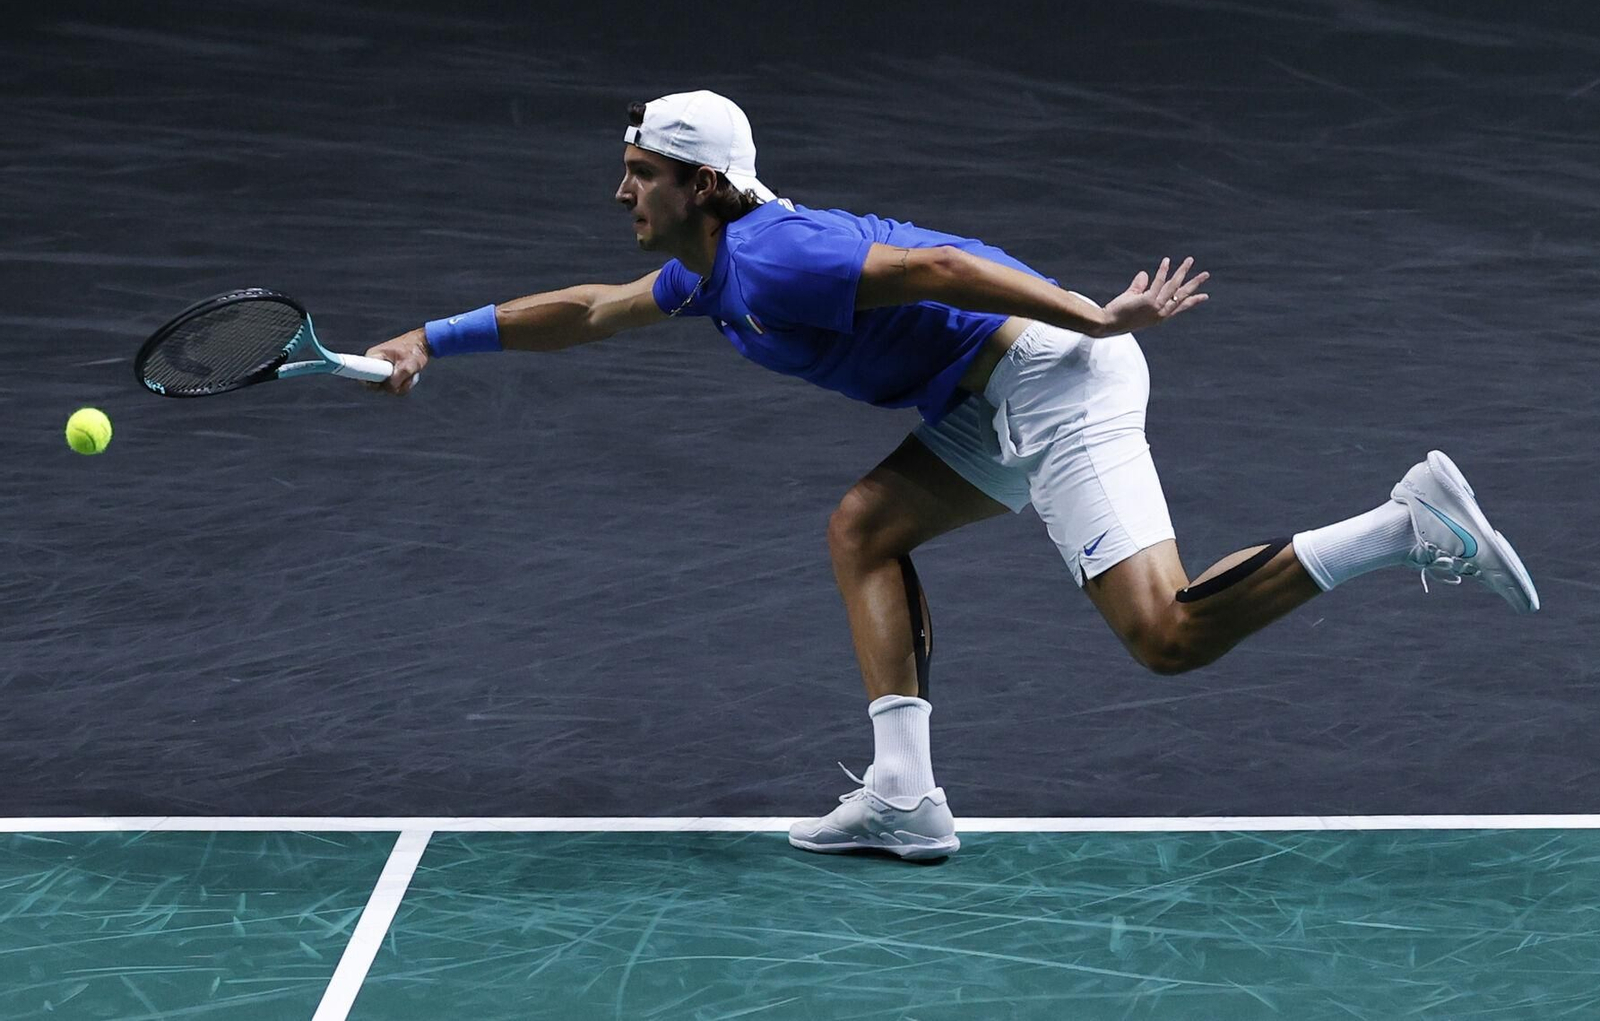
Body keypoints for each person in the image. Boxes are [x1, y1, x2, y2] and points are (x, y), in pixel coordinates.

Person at [365, 90, 1540, 860]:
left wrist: (1093, 310)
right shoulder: (707, 272)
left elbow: (937, 264)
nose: (621, 191)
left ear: (704, 185)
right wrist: (431, 337)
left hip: (1053, 377)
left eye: (638, 172)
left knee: (1165, 634)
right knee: (864, 526)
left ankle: (1403, 521)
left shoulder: (774, 261)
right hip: (979, 397)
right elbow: (585, 309)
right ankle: (905, 795)